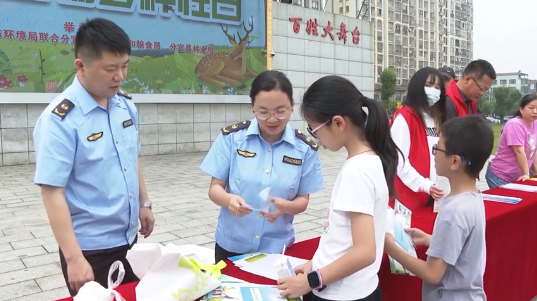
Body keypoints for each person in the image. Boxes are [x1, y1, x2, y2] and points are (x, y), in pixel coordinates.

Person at [33, 18, 155, 296]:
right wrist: (74, 258)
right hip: (90, 249)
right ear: (81, 66)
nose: (120, 76)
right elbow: (52, 193)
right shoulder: (59, 121)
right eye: (110, 69)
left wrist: (144, 202)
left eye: (124, 66)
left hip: (129, 241)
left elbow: (130, 157)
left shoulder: (124, 106)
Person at [276, 75, 400, 301]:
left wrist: (311, 280)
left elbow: (365, 252)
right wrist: (316, 263)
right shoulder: (368, 160)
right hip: (352, 288)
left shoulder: (358, 171)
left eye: (314, 129)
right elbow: (342, 238)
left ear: (338, 123)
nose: (316, 137)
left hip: (341, 295)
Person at [199, 70, 324, 263]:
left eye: (280, 111)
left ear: (291, 106)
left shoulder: (304, 149)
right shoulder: (232, 139)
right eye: (263, 112)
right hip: (231, 246)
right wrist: (228, 200)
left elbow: (303, 200)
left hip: (276, 250)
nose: (272, 119)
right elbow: (215, 189)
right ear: (253, 107)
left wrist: (286, 207)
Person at [384, 115, 493, 301]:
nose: (433, 154)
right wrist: (430, 240)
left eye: (437, 148)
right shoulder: (473, 197)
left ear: (455, 161)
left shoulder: (453, 211)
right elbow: (462, 244)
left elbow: (432, 274)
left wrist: (391, 248)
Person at [390, 67, 447, 211]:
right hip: (407, 198)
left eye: (438, 87)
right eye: (428, 85)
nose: (433, 90)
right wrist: (424, 185)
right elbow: (399, 162)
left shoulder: (435, 118)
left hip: (430, 196)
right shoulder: (404, 118)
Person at [486, 94, 537, 188]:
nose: (535, 111)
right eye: (531, 108)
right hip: (500, 176)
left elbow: (533, 150)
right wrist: (526, 174)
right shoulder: (515, 124)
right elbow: (519, 151)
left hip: (517, 177)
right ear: (521, 109)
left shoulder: (535, 123)